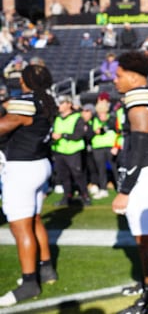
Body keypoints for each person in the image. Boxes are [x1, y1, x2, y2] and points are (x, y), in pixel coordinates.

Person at [111, 51, 148, 313]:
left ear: (134, 77)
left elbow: (140, 144)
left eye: (119, 75)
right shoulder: (147, 94)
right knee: (143, 238)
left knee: (145, 240)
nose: (115, 80)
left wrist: (125, 188)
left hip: (144, 171)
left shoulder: (139, 97)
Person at [0, 65, 59, 307]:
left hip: (22, 167)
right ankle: (46, 270)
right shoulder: (46, 100)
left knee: (21, 227)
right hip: (39, 164)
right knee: (34, 220)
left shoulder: (25, 102)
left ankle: (29, 283)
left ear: (25, 81)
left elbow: (4, 127)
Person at [51, 95, 92, 206]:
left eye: (62, 103)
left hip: (73, 151)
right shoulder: (58, 118)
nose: (59, 105)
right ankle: (67, 196)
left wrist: (63, 135)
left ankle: (85, 196)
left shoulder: (77, 117)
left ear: (69, 104)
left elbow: (78, 134)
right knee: (63, 176)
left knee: (78, 175)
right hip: (60, 150)